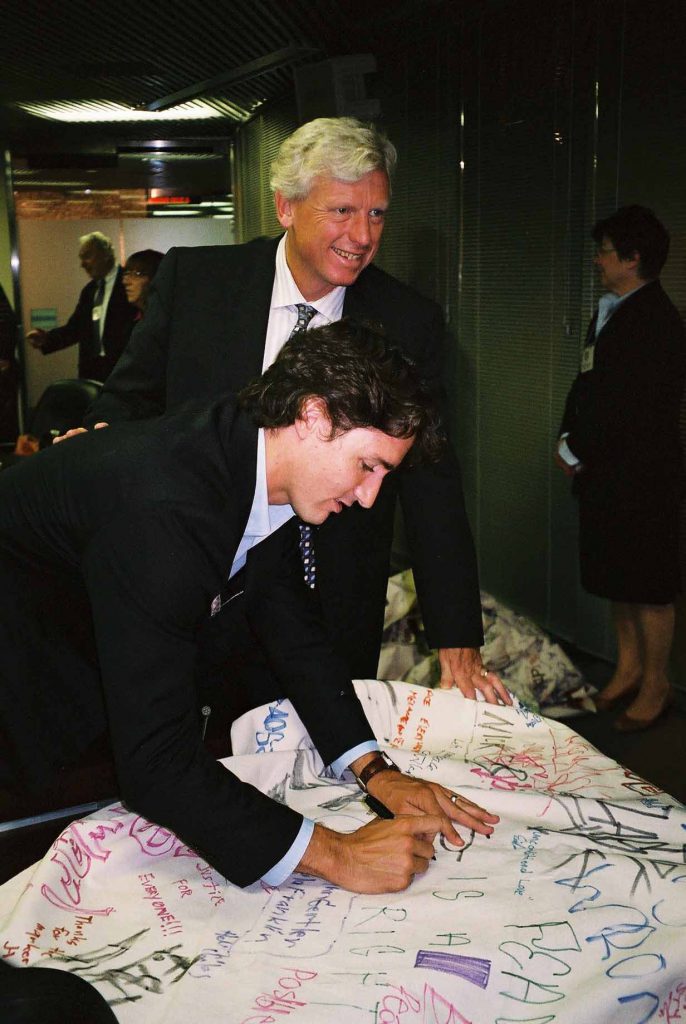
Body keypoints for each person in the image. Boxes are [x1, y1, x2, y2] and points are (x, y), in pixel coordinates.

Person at [0, 321, 499, 893]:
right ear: (314, 416)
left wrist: (374, 771)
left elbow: (290, 626)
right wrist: (338, 853)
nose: (369, 499)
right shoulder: (166, 510)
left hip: (71, 659)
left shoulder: (255, 456)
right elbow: (156, 763)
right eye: (369, 466)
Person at [76, 116, 511, 706]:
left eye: (377, 213)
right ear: (285, 206)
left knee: (328, 765)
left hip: (332, 595)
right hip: (200, 575)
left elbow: (432, 479)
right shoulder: (198, 282)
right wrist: (92, 447)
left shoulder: (408, 321)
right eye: (342, 212)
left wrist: (457, 633)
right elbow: (130, 400)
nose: (362, 235)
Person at [556, 205, 686, 732]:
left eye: (606, 251)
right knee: (617, 578)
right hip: (604, 475)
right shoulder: (609, 309)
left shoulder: (658, 321)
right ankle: (628, 670)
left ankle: (656, 685)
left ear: (633, 259)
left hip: (643, 477)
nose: (597, 259)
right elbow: (586, 385)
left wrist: (579, 447)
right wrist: (567, 440)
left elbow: (630, 409)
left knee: (649, 584)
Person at [26, 231, 137, 382]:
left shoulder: (129, 284)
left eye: (87, 256)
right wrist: (47, 340)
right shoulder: (89, 291)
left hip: (124, 371)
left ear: (105, 254)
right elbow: (75, 328)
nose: (82, 264)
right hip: (93, 372)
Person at [122, 248, 164, 317]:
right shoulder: (132, 320)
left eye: (136, 274)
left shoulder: (174, 321)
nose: (125, 282)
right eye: (127, 273)